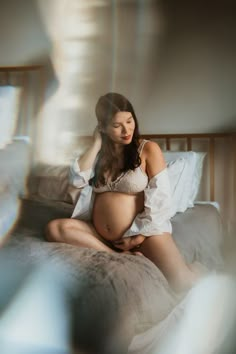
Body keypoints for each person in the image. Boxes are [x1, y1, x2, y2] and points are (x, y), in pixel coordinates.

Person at [46, 92, 201, 292]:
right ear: (102, 127)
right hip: (101, 236)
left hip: (143, 234)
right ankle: (116, 255)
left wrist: (137, 237)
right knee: (55, 228)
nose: (126, 130)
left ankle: (199, 270)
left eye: (129, 121)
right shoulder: (98, 154)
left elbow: (161, 200)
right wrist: (96, 144)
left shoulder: (148, 149)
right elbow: (77, 180)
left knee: (183, 284)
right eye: (117, 125)